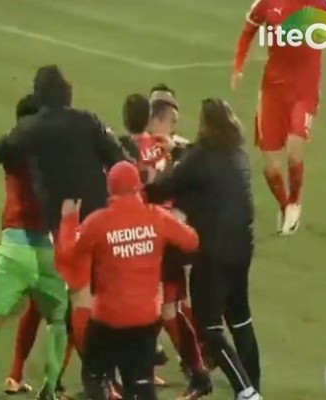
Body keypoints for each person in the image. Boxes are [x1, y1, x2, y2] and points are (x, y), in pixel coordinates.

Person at [0, 65, 129, 377]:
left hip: (66, 226)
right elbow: (120, 161)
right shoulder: (88, 120)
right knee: (105, 296)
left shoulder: (31, 128)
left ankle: (97, 376)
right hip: (101, 219)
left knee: (77, 300)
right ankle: (115, 373)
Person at [145, 99, 262, 400]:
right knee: (240, 319)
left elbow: (163, 188)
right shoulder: (238, 153)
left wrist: (142, 183)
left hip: (213, 253)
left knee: (208, 328)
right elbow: (207, 174)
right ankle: (254, 386)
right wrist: (182, 151)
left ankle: (246, 391)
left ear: (205, 125)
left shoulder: (199, 158)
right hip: (242, 249)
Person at [56, 161, 200, 400]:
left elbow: (67, 255)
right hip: (145, 320)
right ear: (138, 187)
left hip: (107, 320)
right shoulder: (156, 217)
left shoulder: (98, 222)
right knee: (140, 384)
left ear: (110, 189)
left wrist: (69, 219)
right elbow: (191, 241)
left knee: (95, 377)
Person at [0, 94, 68, 400]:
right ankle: (49, 391)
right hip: (47, 251)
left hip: (13, 249)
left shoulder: (12, 150)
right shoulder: (55, 154)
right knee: (58, 322)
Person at [119, 94, 212, 399]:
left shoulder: (122, 149)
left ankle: (193, 369)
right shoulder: (166, 144)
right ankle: (187, 366)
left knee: (159, 307)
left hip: (145, 235)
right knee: (169, 306)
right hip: (169, 230)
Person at [232, 0, 326, 235]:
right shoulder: (266, 3)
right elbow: (248, 30)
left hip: (304, 89)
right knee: (271, 167)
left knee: (295, 152)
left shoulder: (321, 3)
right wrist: (238, 66)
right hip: (273, 90)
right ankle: (285, 206)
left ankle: (295, 202)